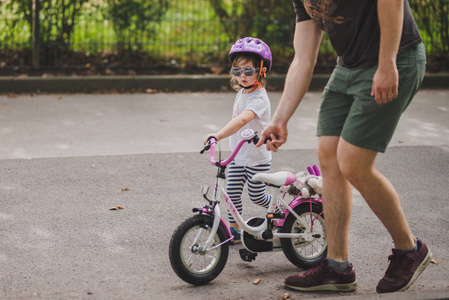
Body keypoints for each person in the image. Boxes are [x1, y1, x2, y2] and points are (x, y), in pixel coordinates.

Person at [256, 0, 432, 294]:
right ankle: (337, 267)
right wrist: (279, 119)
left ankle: (409, 249)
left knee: (353, 162)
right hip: (348, 67)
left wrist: (387, 62)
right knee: (329, 155)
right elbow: (303, 58)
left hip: (395, 58)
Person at [205, 37, 273, 244]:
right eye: (237, 71)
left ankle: (280, 209)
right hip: (237, 157)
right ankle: (234, 232)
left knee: (257, 197)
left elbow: (242, 120)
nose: (242, 76)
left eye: (248, 71)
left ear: (261, 71)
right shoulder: (242, 93)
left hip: (257, 159)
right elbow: (236, 121)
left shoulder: (259, 99)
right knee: (232, 196)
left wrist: (217, 135)